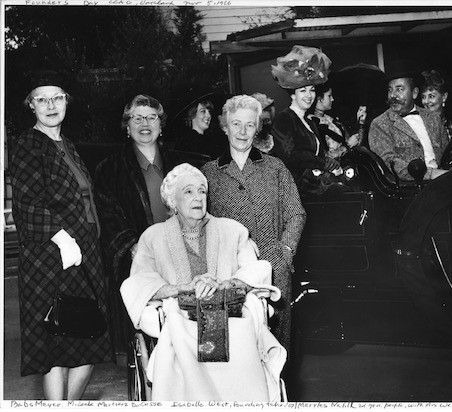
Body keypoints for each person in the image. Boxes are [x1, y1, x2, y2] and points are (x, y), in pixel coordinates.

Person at [120, 163, 285, 401]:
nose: (198, 197)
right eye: (188, 192)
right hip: (181, 316)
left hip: (230, 316)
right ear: (172, 201)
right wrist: (184, 288)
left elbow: (256, 268)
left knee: (242, 330)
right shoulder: (153, 237)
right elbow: (138, 282)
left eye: (201, 191)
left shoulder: (233, 231)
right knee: (177, 328)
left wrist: (224, 284)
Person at [9, 69, 113, 400]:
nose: (51, 104)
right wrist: (62, 239)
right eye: (42, 99)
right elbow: (26, 203)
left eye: (57, 97)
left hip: (86, 254)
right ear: (31, 105)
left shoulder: (66, 144)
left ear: (66, 101)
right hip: (51, 257)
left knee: (89, 338)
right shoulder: (28, 144)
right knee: (59, 341)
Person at [201, 94, 306, 357]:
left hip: (273, 270)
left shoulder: (275, 168)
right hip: (227, 273)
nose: (243, 131)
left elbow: (297, 214)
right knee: (235, 348)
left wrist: (285, 251)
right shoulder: (208, 173)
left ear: (257, 128)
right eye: (236, 124)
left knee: (276, 349)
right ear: (225, 126)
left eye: (250, 125)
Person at [93, 94, 181, 354]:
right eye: (137, 118)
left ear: (161, 124)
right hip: (140, 260)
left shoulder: (179, 163)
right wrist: (134, 248)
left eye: (152, 117)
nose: (145, 123)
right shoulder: (109, 169)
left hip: (180, 254)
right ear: (127, 126)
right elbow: (108, 215)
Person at [269, 45, 346, 198]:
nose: (309, 95)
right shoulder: (284, 119)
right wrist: (323, 163)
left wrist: (329, 162)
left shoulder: (309, 122)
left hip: (315, 185)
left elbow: (318, 154)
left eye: (311, 90)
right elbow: (290, 157)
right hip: (296, 191)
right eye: (302, 91)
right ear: (292, 94)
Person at [369, 61, 450, 181]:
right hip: (409, 189)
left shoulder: (433, 118)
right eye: (390, 90)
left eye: (399, 89)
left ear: (415, 93)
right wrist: (430, 174)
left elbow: (447, 154)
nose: (393, 95)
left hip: (441, 181)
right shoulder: (380, 124)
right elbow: (390, 162)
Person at [308, 81, 366, 158]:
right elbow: (323, 158)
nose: (332, 99)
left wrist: (361, 123)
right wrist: (347, 146)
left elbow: (355, 143)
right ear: (319, 99)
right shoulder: (311, 123)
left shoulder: (331, 119)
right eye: (329, 96)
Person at [421, 69, 452, 140]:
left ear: (444, 97)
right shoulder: (419, 126)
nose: (426, 101)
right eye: (423, 97)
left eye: (431, 96)